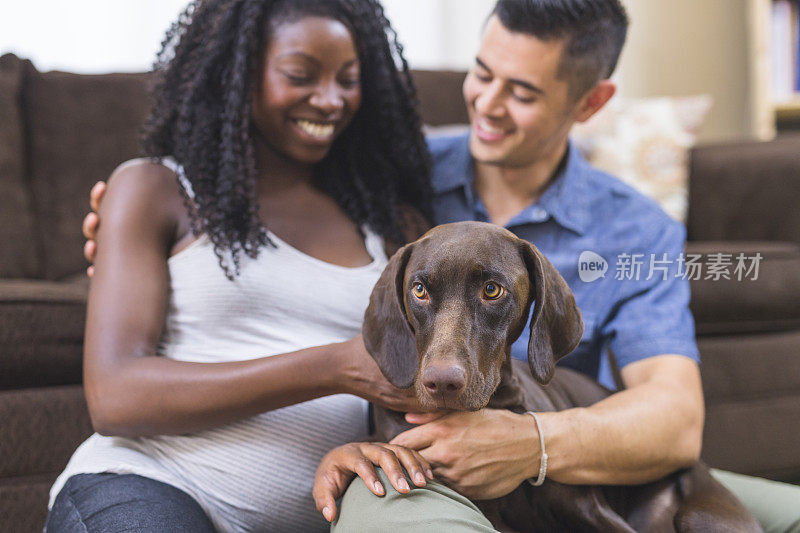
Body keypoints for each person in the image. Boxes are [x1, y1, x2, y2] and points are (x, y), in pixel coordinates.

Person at [82, 1, 800, 532]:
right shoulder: (398, 177)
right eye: (480, 75)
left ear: (592, 102)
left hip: (584, 465)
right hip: (392, 480)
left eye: (521, 93)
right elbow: (254, 192)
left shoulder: (636, 229)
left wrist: (530, 446)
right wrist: (119, 230)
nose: (486, 107)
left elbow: (674, 418)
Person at [46, 0, 441, 531]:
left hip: (329, 512)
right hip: (149, 481)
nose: (330, 100)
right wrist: (336, 367)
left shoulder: (394, 225)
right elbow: (117, 397)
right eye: (301, 75)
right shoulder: (157, 189)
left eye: (349, 79)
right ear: (239, 73)